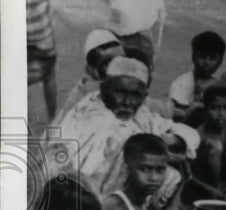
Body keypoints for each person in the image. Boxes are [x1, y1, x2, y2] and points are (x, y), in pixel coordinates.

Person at [46, 56, 171, 197]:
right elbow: (57, 160)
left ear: (144, 96)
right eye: (120, 93)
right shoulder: (84, 114)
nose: (127, 102)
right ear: (104, 89)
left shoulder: (144, 116)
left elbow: (180, 132)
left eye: (135, 95)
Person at [52, 29, 125, 126]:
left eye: (122, 59)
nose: (118, 66)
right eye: (108, 62)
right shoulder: (81, 101)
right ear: (91, 71)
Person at [149, 124, 200, 210]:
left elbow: (175, 199)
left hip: (157, 204)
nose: (171, 154)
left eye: (177, 151)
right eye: (170, 148)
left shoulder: (178, 172)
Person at [190, 85, 226, 201]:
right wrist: (210, 189)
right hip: (197, 186)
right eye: (215, 108)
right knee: (215, 146)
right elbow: (188, 176)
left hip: (215, 184)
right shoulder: (198, 136)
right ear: (206, 109)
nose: (221, 113)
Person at [168, 31, 226, 123]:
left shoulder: (218, 85)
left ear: (220, 62)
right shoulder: (180, 84)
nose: (207, 62)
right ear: (193, 57)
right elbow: (173, 116)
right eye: (202, 57)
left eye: (213, 58)